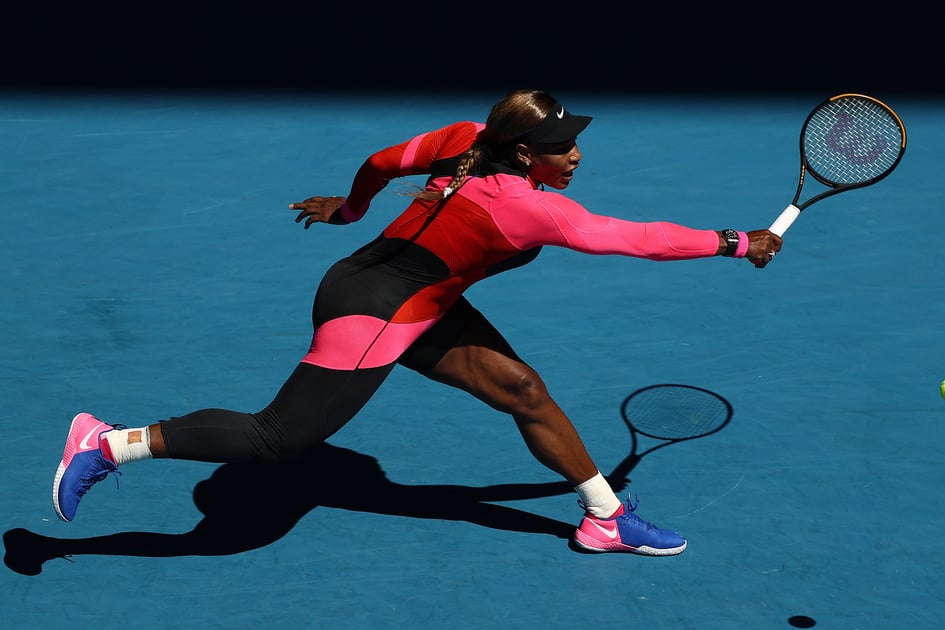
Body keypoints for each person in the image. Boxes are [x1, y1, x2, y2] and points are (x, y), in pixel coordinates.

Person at [53, 89, 782, 556]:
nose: (576, 154)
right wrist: (736, 241)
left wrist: (349, 209)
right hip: (375, 315)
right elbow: (638, 238)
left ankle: (604, 515)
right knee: (279, 439)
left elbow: (377, 162)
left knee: (520, 389)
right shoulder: (534, 206)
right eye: (563, 146)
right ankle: (110, 443)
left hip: (396, 293)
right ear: (526, 152)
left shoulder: (463, 137)